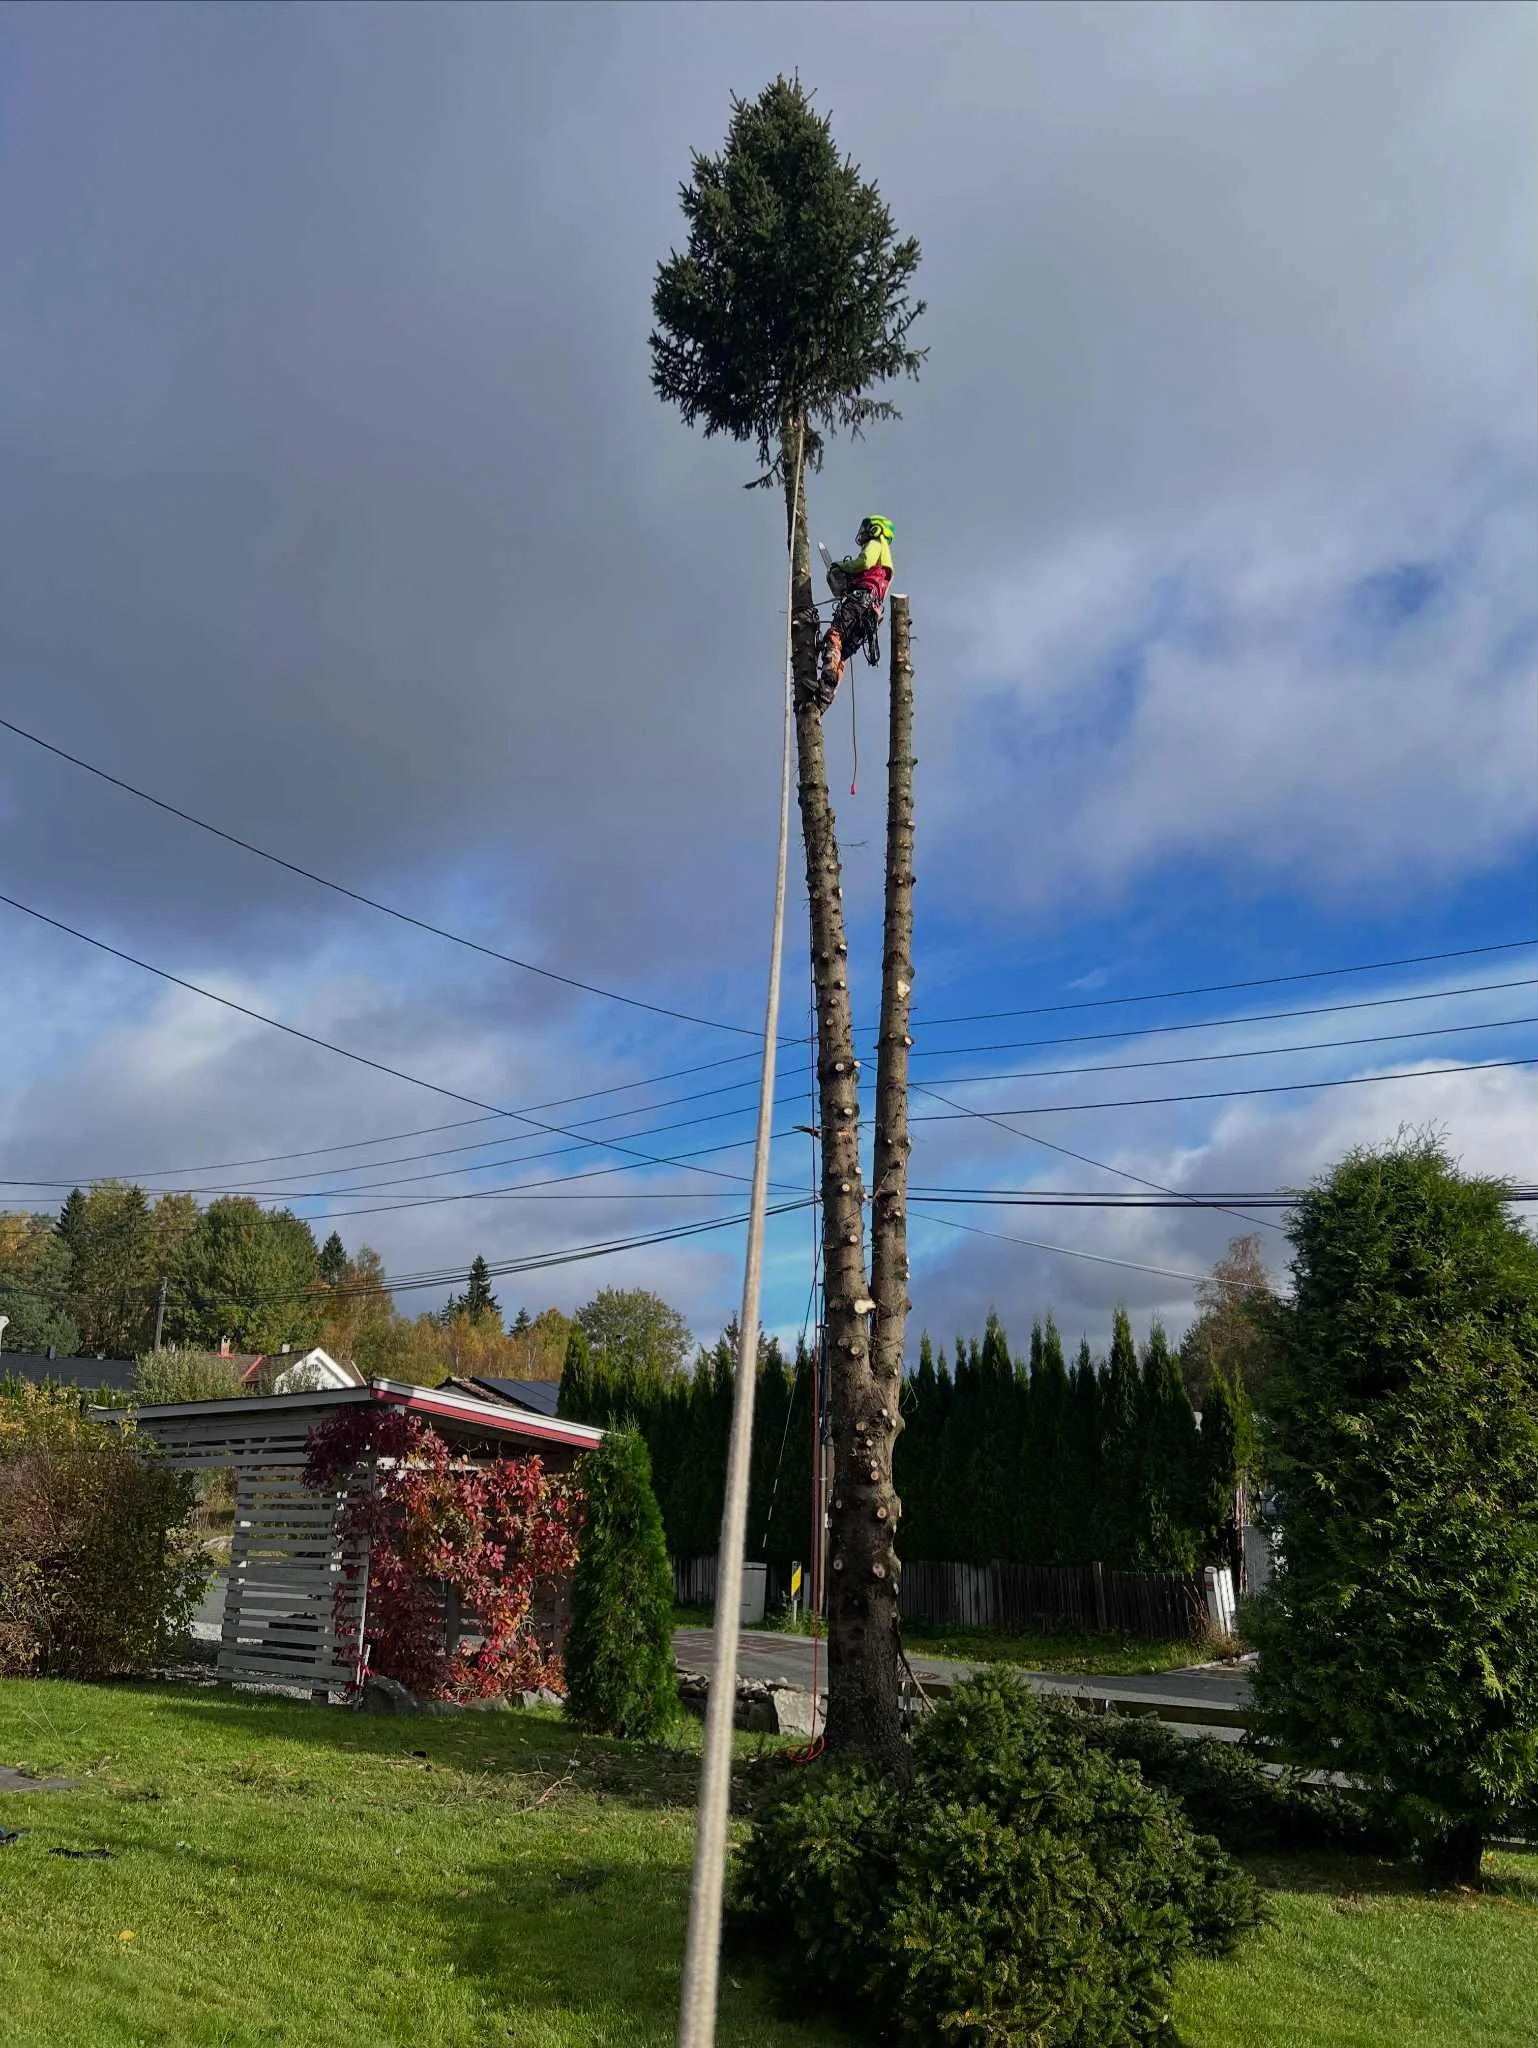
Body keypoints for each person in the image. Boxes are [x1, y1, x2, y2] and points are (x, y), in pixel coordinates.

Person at [813, 515, 894, 709]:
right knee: (842, 654)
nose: (863, 533)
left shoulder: (876, 544)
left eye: (866, 528)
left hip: (860, 602)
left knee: (835, 634)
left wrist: (842, 566)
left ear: (875, 529)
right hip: (872, 614)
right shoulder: (885, 568)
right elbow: (870, 578)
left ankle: (828, 675)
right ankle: (825, 695)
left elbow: (864, 562)